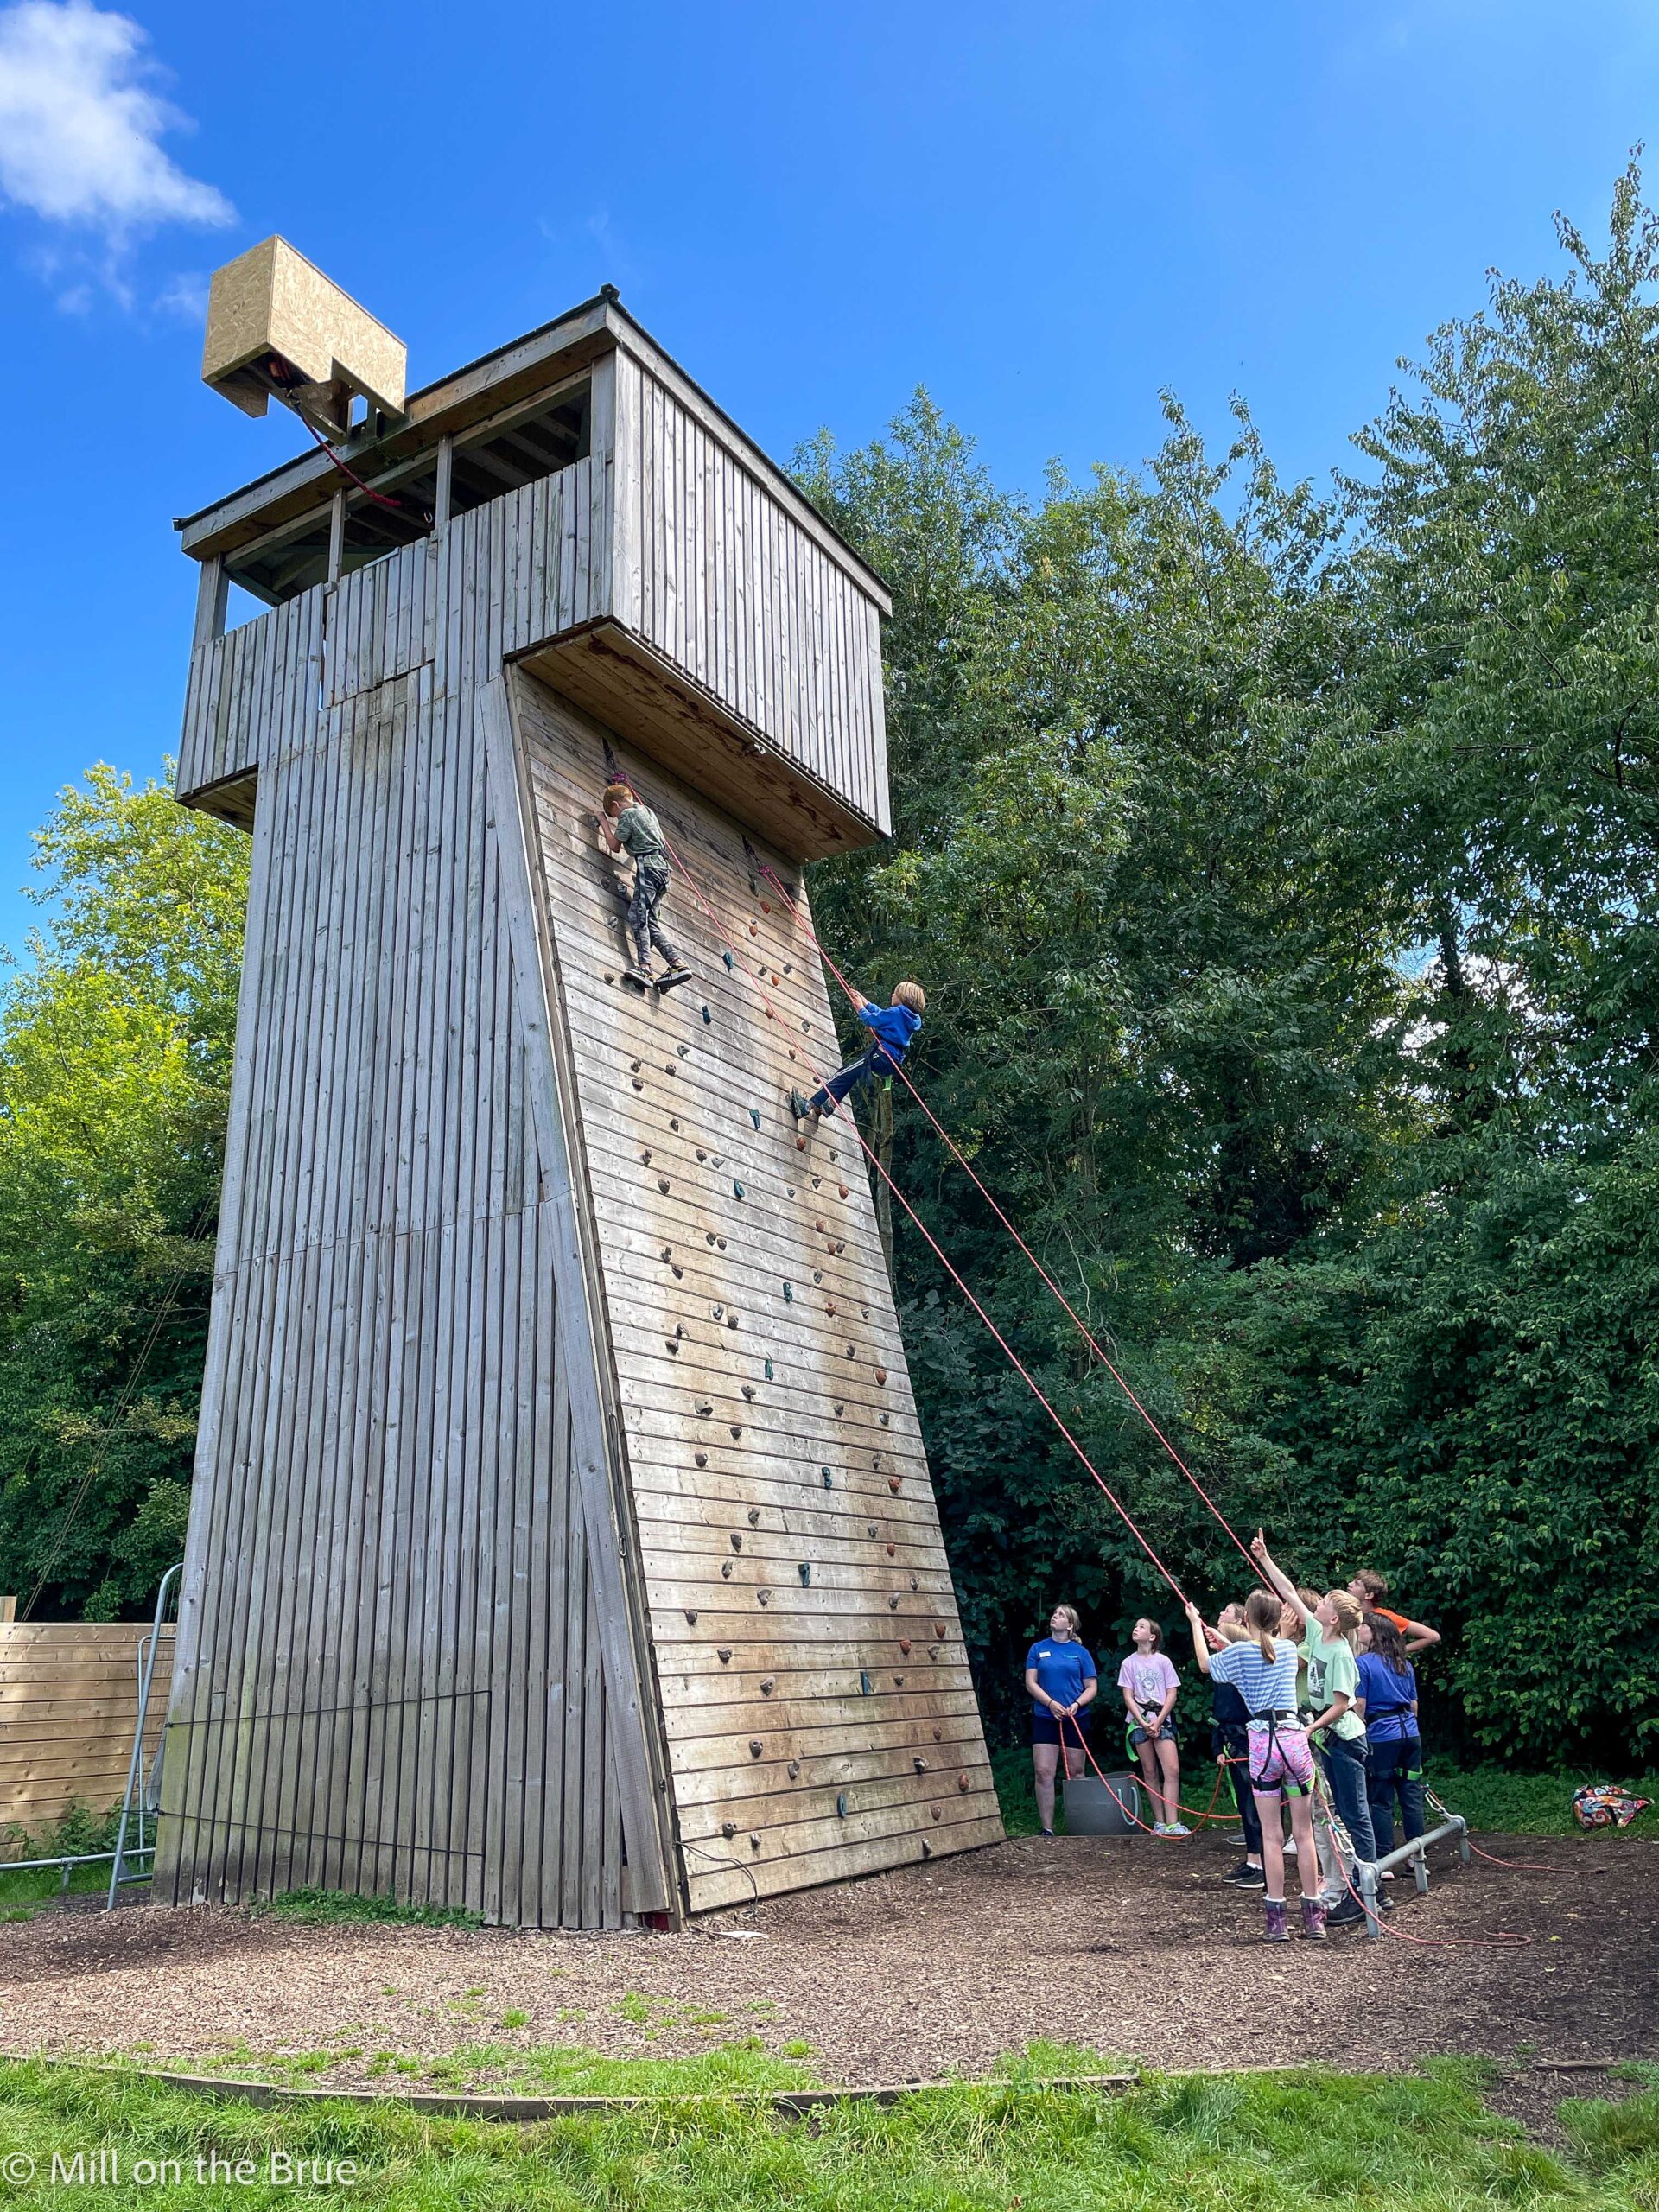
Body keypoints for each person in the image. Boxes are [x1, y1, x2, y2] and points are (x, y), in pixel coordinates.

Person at [1253, 1535, 1379, 1928]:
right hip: (1327, 1738)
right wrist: (1265, 1557)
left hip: (1345, 1739)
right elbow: (1288, 1591)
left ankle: (1370, 1892)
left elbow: (1342, 1703)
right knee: (1340, 1812)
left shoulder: (1341, 1651)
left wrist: (1311, 1728)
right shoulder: (1315, 1633)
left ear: (1333, 1618)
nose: (1317, 1603)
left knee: (1354, 1814)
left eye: (1324, 1601)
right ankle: (1362, 1888)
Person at [1185, 1589, 1325, 1942]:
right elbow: (1265, 1650)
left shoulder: (1242, 1654)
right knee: (1304, 1833)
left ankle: (1277, 1918)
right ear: (1279, 1620)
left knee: (1271, 1836)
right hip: (1294, 1740)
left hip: (1262, 1746)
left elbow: (1206, 1665)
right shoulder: (1289, 1649)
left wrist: (1193, 1623)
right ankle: (1314, 1916)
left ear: (1245, 1620)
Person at [789, 982, 925, 1132]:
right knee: (850, 1075)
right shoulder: (910, 1018)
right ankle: (828, 1106)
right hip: (890, 1061)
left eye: (895, 993)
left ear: (903, 997)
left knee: (842, 1075)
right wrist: (865, 1001)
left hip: (880, 1054)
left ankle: (808, 1106)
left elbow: (871, 1020)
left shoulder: (897, 1013)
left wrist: (860, 1007)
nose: (892, 995)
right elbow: (881, 1015)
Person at [597, 781, 692, 991]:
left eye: (614, 814)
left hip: (648, 867)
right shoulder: (646, 811)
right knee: (649, 920)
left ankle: (645, 968)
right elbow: (644, 839)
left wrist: (604, 822)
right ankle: (677, 964)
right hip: (663, 870)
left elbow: (614, 845)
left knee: (637, 916)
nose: (616, 819)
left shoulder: (628, 815)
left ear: (616, 804)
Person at [1024, 1605, 1098, 1837]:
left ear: (1070, 1626)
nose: (1054, 1616)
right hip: (1045, 1717)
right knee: (1044, 1772)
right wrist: (1050, 1703)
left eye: (1061, 1615)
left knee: (1076, 1771)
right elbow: (1031, 1683)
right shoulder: (1038, 1649)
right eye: (1054, 1613)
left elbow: (1092, 1687)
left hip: (1075, 1718)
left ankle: (1082, 1825)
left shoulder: (1080, 1652)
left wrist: (1077, 1704)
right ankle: (1047, 1828)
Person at [1357, 1611, 1427, 1858]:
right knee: (1411, 1794)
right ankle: (1416, 1857)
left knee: (1380, 1798)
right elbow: (1414, 1706)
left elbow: (1360, 1706)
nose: (1359, 1629)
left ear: (1374, 1632)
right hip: (1410, 1734)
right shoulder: (1404, 1664)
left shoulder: (1363, 1664)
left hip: (1382, 1736)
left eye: (1363, 1626)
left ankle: (1385, 1856)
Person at [1209, 1602, 1265, 1886]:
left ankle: (1262, 1864)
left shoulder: (1243, 1667)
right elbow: (1220, 1714)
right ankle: (1253, 1858)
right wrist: (1218, 1746)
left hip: (1247, 1740)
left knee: (1255, 1803)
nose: (1219, 1617)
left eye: (1225, 1613)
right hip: (1232, 1740)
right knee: (1246, 1804)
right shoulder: (1223, 1668)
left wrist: (1196, 1625)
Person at [1118, 1619, 1189, 1837]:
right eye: (1136, 1626)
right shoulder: (1128, 1663)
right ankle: (1159, 1822)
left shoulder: (1163, 1662)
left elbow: (1171, 1693)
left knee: (1172, 1770)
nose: (1135, 1628)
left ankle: (1173, 1822)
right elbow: (1128, 1695)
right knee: (1149, 1771)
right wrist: (1142, 1721)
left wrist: (1158, 1721)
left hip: (1161, 1718)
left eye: (1141, 1627)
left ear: (1152, 1637)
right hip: (1139, 1719)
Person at [1347, 1568, 1440, 1658]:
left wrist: (1398, 1652)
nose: (1350, 1584)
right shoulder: (1345, 1612)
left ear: (1369, 1595)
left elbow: (1433, 1637)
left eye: (1357, 1584)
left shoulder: (1384, 1617)